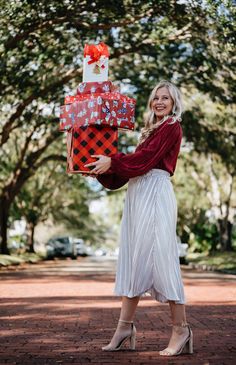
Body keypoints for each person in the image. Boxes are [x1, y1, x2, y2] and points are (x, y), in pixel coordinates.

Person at [84, 80, 193, 356]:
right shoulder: (152, 130)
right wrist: (102, 170)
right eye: (156, 98)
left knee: (162, 258)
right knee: (134, 259)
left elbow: (144, 160)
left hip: (156, 193)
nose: (159, 102)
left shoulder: (171, 126)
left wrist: (113, 161)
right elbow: (132, 167)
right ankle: (124, 328)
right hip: (138, 194)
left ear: (174, 103)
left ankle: (181, 329)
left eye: (165, 98)